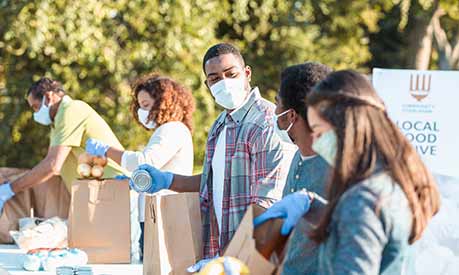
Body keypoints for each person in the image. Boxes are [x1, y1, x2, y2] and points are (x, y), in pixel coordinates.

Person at [255, 70, 440, 274]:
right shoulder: (388, 180)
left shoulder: (364, 199)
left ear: (346, 126)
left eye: (320, 132)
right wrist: (315, 207)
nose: (315, 142)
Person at [130, 43, 295, 270]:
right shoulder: (220, 125)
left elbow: (267, 206)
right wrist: (168, 180)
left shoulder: (266, 124)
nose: (224, 83)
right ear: (207, 84)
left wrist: (230, 259)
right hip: (221, 255)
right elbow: (213, 181)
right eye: (215, 78)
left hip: (252, 260)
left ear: (247, 73)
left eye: (231, 74)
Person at [0, 77, 126, 242]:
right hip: (95, 193)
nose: (35, 114)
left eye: (36, 107)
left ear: (49, 96)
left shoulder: (70, 110)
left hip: (113, 189)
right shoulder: (57, 121)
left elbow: (52, 166)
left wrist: (9, 189)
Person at [85, 73, 195, 259]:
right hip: (156, 213)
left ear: (162, 102)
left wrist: (106, 150)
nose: (141, 112)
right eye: (140, 106)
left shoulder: (172, 129)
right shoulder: (167, 130)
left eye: (145, 105)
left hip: (164, 213)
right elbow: (155, 168)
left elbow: (146, 161)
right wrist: (134, 180)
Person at [271, 62, 332, 274]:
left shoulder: (339, 170)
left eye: (277, 103)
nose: (273, 110)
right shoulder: (298, 155)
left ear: (291, 115)